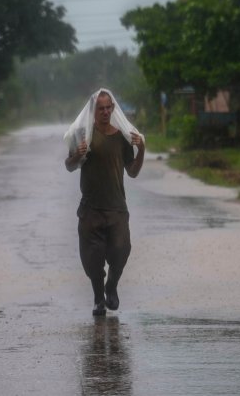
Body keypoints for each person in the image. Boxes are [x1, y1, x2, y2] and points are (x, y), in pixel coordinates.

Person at [64, 89, 145, 316]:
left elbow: (133, 172)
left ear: (113, 108)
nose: (106, 112)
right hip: (90, 209)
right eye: (101, 108)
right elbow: (69, 166)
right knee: (93, 258)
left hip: (117, 208)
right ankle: (99, 299)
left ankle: (112, 287)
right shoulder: (83, 134)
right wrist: (77, 155)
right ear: (93, 110)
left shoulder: (122, 136)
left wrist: (142, 150)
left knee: (121, 250)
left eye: (109, 107)